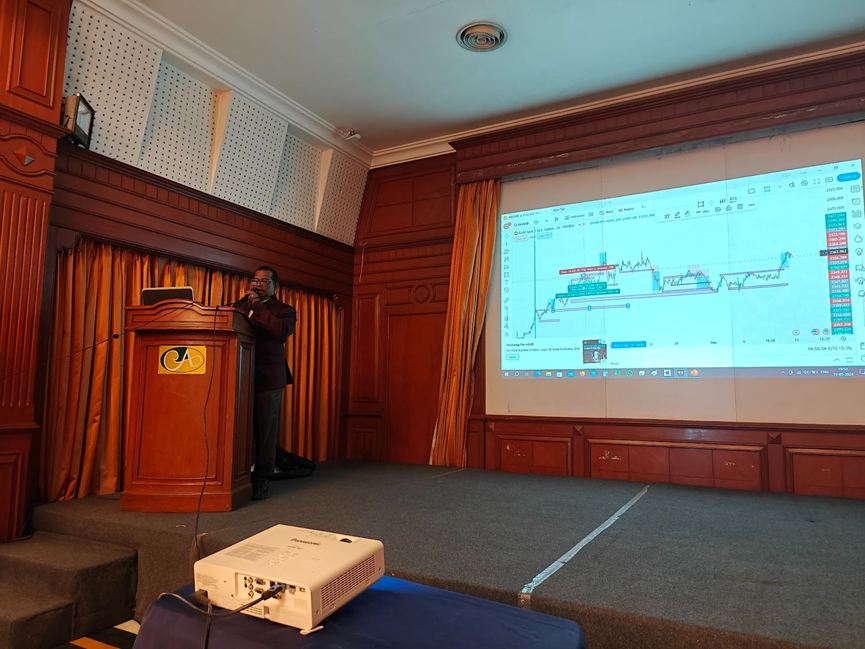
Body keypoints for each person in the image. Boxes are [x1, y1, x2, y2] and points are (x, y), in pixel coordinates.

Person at [235, 266, 297, 500]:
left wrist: (258, 307)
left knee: (265, 433)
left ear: (275, 286)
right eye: (255, 280)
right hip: (240, 375)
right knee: (237, 428)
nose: (257, 285)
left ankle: (261, 480)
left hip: (268, 377)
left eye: (263, 281)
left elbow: (280, 331)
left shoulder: (285, 310)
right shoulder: (242, 306)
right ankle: (237, 476)